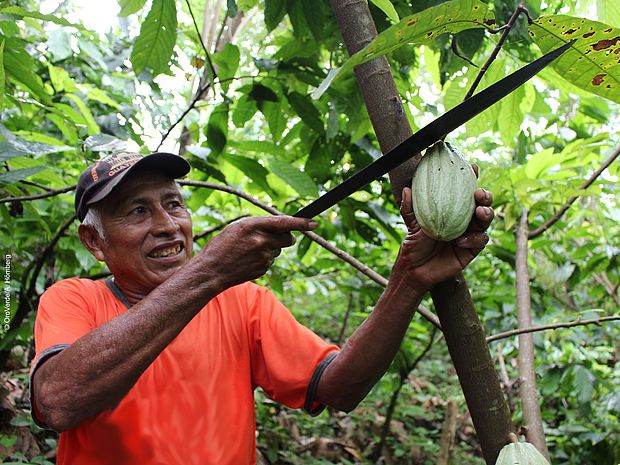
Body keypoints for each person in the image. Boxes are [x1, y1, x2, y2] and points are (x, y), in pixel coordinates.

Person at [30, 151, 493, 465]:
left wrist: (409, 280)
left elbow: (337, 388)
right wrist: (209, 272)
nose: (168, 226)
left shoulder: (242, 302)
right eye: (137, 212)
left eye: (174, 204)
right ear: (94, 240)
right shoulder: (74, 299)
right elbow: (59, 400)